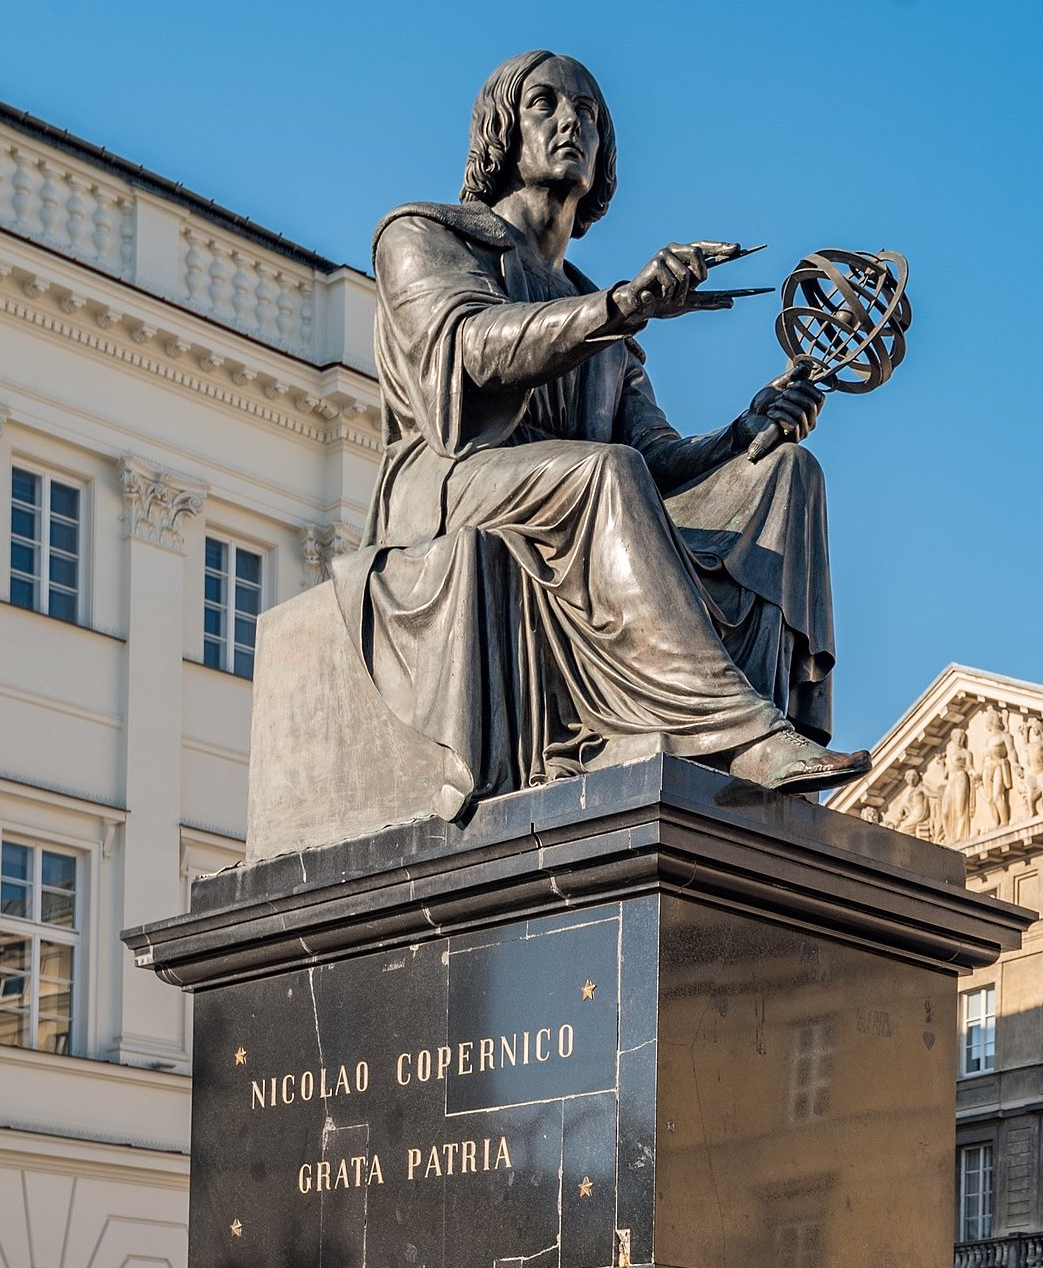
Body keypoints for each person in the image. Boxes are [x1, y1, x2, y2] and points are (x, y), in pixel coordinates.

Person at [333, 50, 870, 819]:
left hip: (579, 488)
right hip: (451, 480)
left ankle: (751, 721)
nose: (570, 124)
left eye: (589, 114)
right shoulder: (423, 236)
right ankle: (737, 731)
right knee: (602, 471)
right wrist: (621, 306)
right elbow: (473, 350)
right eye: (545, 105)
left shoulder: (602, 309)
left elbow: (657, 458)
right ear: (501, 131)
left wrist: (742, 434)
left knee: (789, 471)